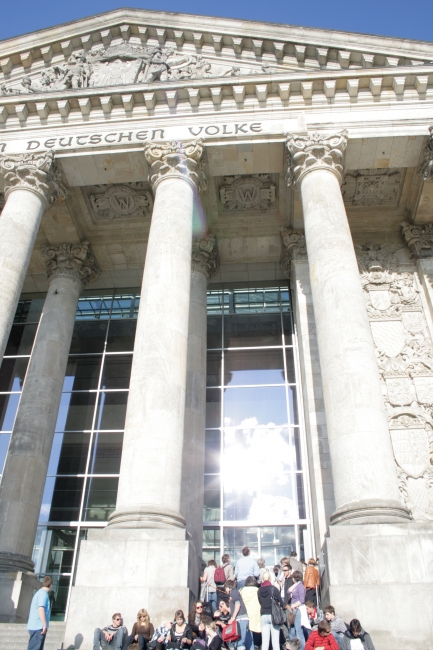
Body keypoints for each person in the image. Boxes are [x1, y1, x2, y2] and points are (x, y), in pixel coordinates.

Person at [257, 571, 283, 650]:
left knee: (265, 643)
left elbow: (260, 602)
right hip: (273, 615)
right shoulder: (274, 589)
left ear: (262, 579)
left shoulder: (259, 590)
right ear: (270, 579)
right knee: (275, 643)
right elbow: (281, 602)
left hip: (263, 615)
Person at [27, 575, 53, 650]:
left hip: (35, 626)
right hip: (38, 626)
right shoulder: (43, 594)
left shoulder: (39, 593)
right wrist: (44, 624)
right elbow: (41, 609)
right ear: (51, 585)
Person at [225, 579, 253, 650]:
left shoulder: (233, 592)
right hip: (239, 619)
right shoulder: (233, 594)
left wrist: (233, 618)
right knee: (238, 640)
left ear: (228, 587)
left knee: (240, 641)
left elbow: (238, 604)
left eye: (225, 589)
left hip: (241, 618)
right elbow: (233, 609)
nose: (226, 591)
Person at [239, 576, 261, 645]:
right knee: (256, 629)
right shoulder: (258, 590)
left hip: (245, 612)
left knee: (246, 631)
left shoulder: (241, 590)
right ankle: (256, 645)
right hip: (255, 612)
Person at [287, 572, 306, 650]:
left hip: (298, 610)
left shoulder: (301, 587)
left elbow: (302, 600)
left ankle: (302, 648)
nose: (291, 579)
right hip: (293, 610)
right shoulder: (297, 586)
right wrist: (296, 583)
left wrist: (293, 606)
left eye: (292, 577)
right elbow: (288, 591)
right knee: (292, 631)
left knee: (298, 632)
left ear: (294, 578)